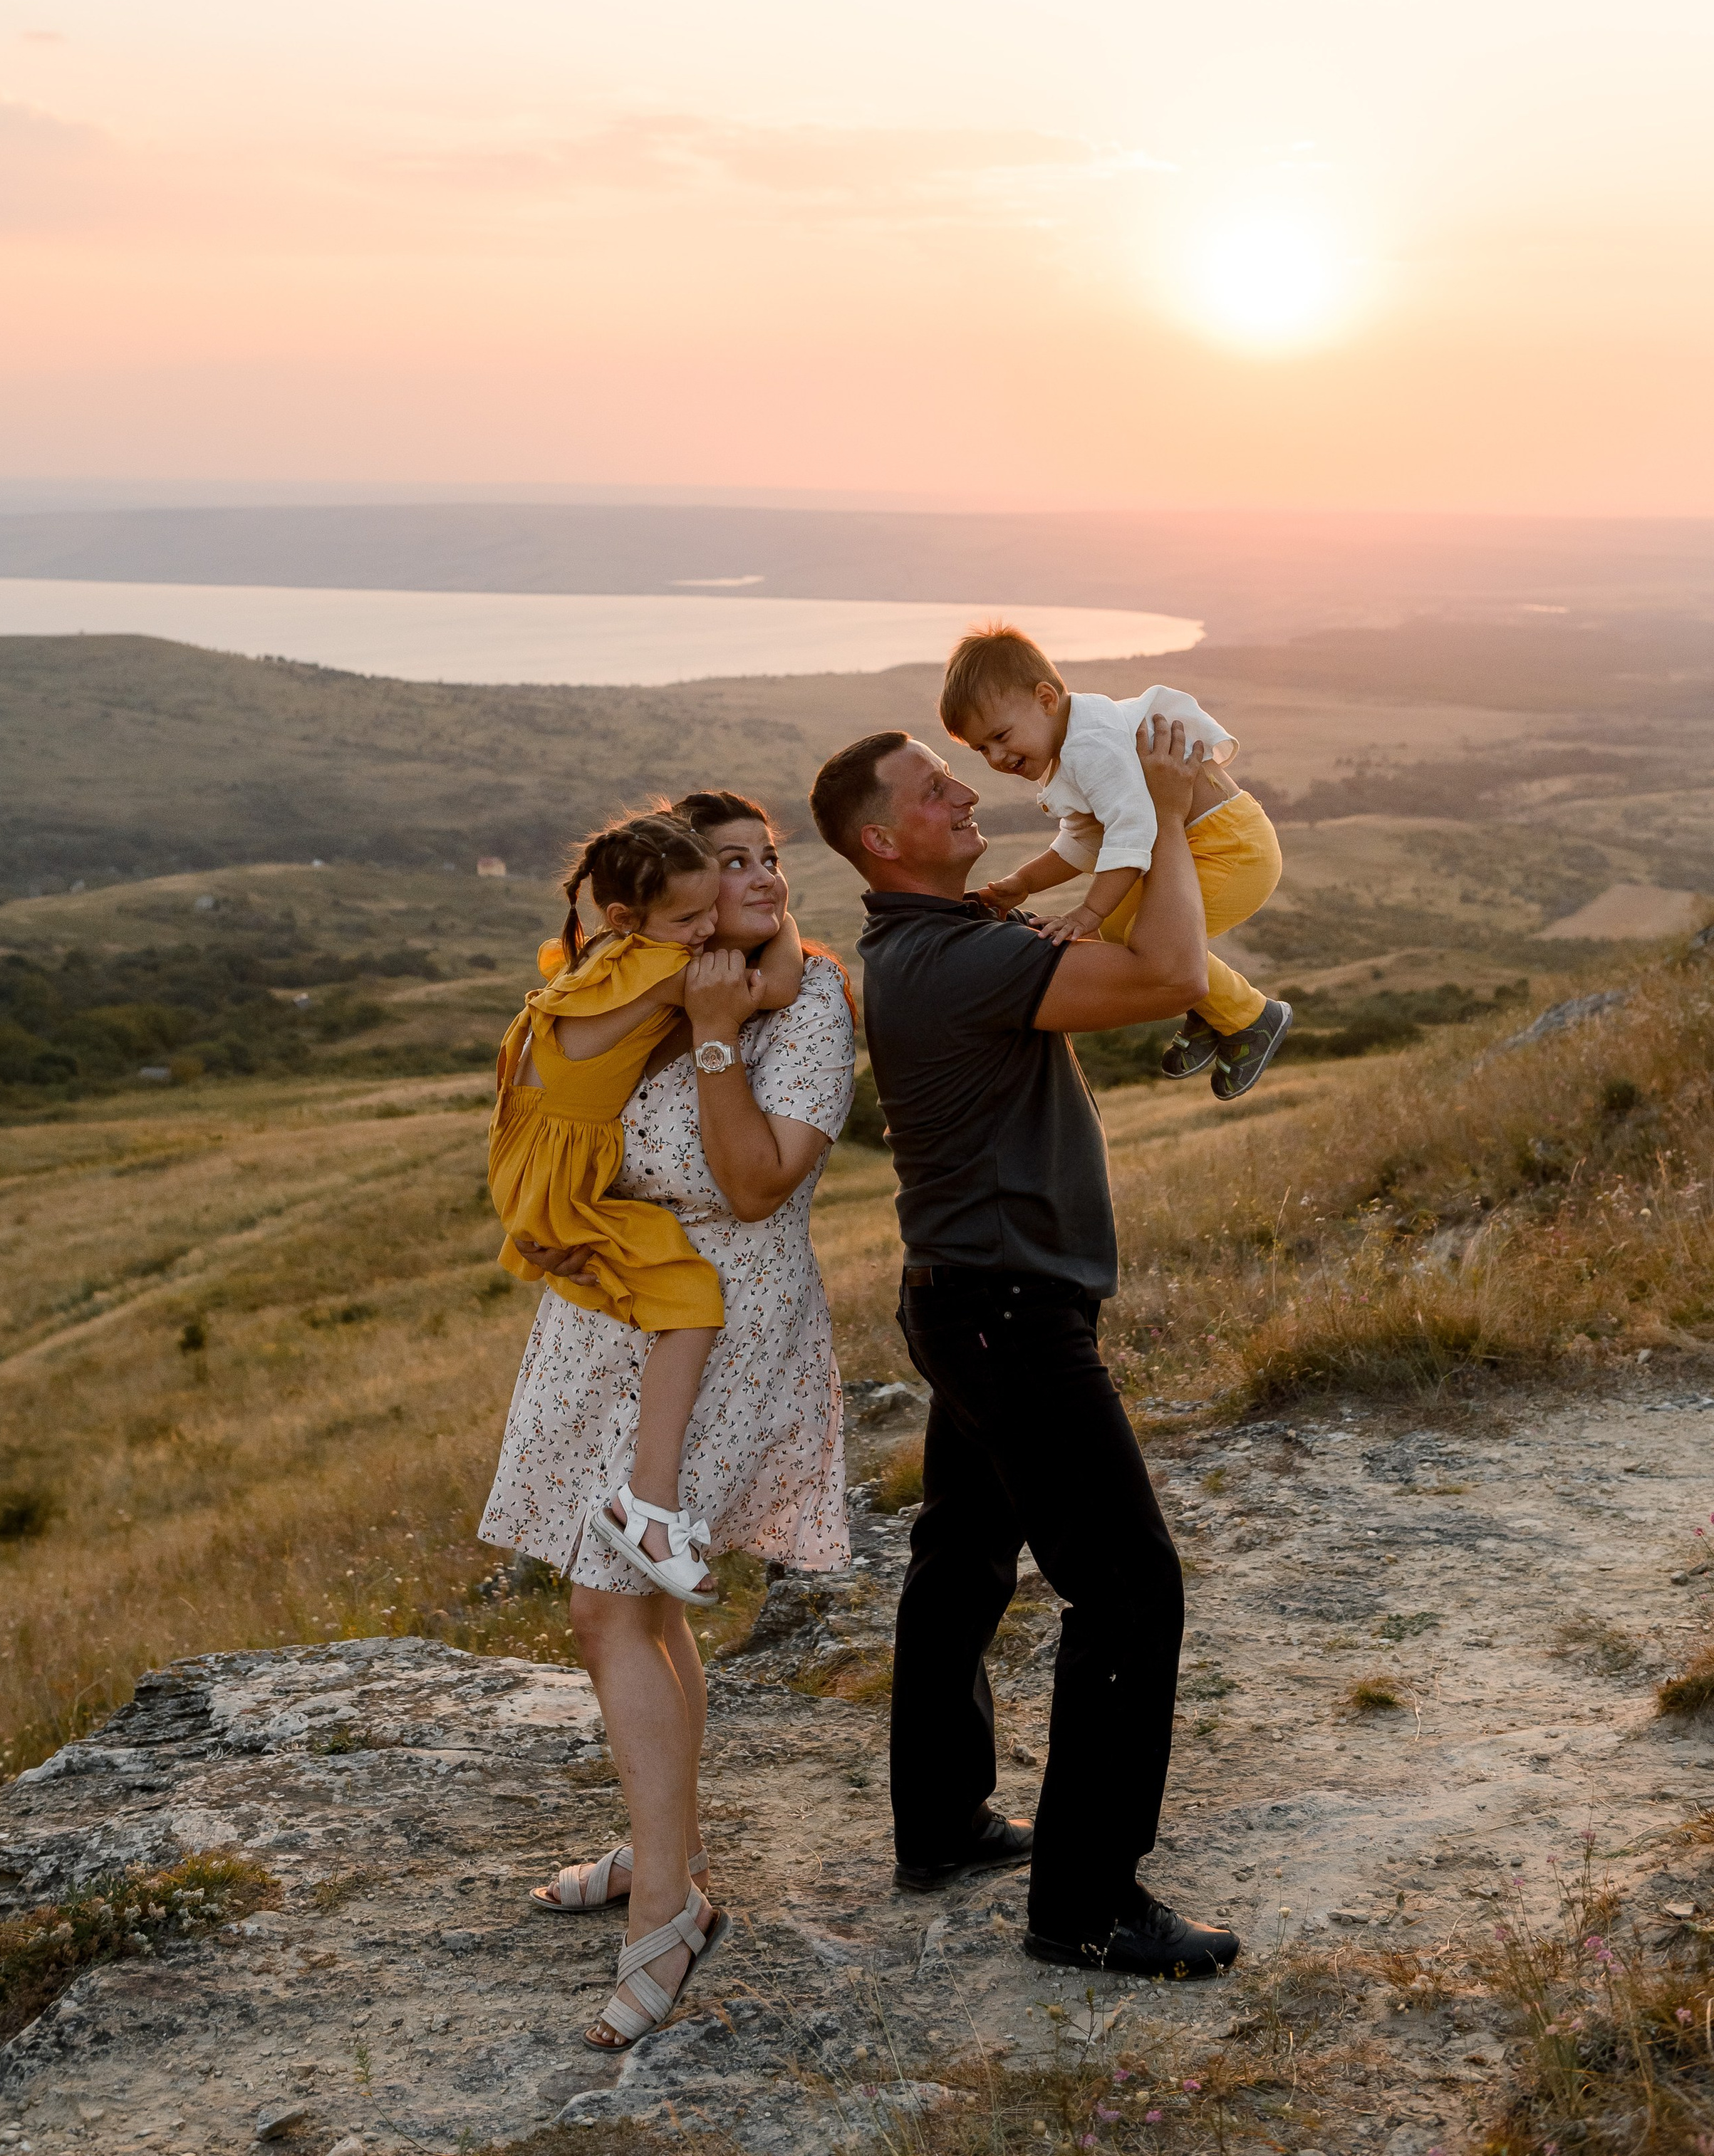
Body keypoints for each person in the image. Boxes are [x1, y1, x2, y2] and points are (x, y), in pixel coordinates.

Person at [807, 715, 1240, 1979]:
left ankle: (941, 1822)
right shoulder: (960, 960)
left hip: (968, 1297)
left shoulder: (937, 941)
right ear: (884, 840)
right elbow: (1168, 974)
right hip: (1008, 1313)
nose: (966, 794)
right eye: (938, 790)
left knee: (963, 1556)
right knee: (1128, 1587)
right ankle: (1086, 1905)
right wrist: (1154, 812)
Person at [482, 791, 855, 2049]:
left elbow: (754, 1187)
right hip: (612, 1307)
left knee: (610, 1610)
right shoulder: (661, 975)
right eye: (721, 864)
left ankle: (668, 1909)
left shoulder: (801, 1007)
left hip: (724, 1320)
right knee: (643, 1609)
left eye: (764, 860)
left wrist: (709, 1033)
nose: (749, 878)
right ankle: (666, 1851)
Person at [488, 810, 804, 1603]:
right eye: (688, 917)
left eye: (709, 912)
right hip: (564, 1178)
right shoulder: (669, 968)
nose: (705, 931)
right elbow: (780, 986)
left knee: (660, 1287)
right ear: (631, 918)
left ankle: (644, 1501)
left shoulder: (604, 953)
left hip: (535, 1162)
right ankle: (646, 1505)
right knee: (690, 1299)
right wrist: (786, 919)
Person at [939, 623, 1292, 1100]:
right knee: (1127, 930)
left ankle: (1252, 1018)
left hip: (1231, 850)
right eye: (982, 748)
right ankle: (1217, 1012)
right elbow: (1085, 840)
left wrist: (1087, 913)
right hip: (1202, 846)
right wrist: (1022, 884)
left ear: (1046, 699)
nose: (997, 757)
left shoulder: (1090, 747)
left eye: (1001, 736)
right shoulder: (1074, 746)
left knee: (1139, 938)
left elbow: (1131, 832)